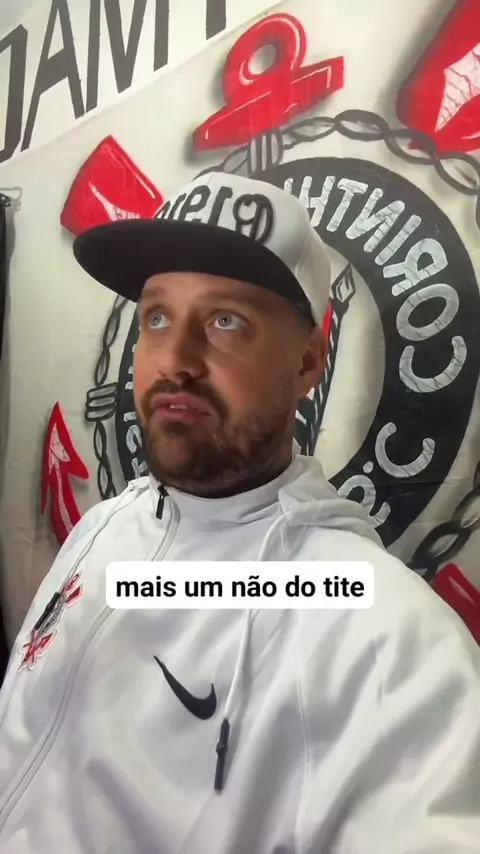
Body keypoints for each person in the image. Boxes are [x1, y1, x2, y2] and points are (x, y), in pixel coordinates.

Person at [0, 172, 479, 854]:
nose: (175, 361)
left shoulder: (385, 636)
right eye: (156, 317)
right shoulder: (103, 530)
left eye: (226, 321)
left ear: (308, 362)